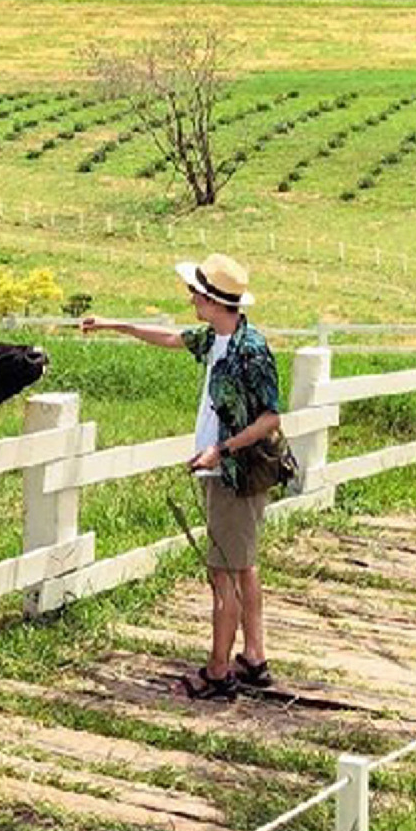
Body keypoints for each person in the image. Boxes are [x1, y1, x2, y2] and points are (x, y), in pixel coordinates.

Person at [82, 254, 282, 702]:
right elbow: (172, 338)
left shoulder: (250, 350)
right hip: (230, 470)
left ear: (212, 300)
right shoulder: (218, 339)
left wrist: (220, 449)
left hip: (235, 473)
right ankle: (252, 656)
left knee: (223, 574)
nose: (190, 297)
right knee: (243, 566)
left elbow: (270, 418)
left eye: (195, 292)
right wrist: (117, 325)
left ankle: (217, 672)